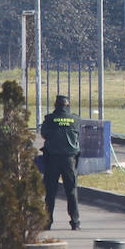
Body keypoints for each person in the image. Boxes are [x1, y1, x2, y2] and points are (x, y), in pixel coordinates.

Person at [41, 95, 81, 230]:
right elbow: (78, 134)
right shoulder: (75, 119)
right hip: (69, 160)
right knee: (71, 191)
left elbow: (44, 134)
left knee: (50, 192)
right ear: (68, 105)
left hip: (52, 159)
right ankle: (75, 222)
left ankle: (47, 221)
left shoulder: (50, 119)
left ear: (55, 105)